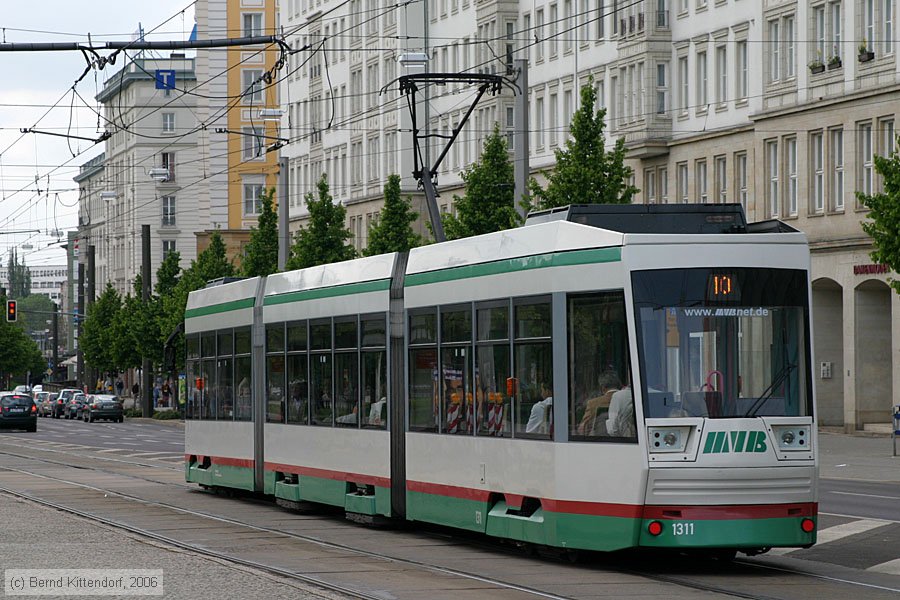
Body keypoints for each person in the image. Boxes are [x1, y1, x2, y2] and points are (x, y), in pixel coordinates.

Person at [577, 371, 621, 435]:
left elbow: (582, 429)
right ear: (618, 385)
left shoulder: (593, 403)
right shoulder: (628, 400)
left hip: (598, 440)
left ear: (602, 387)